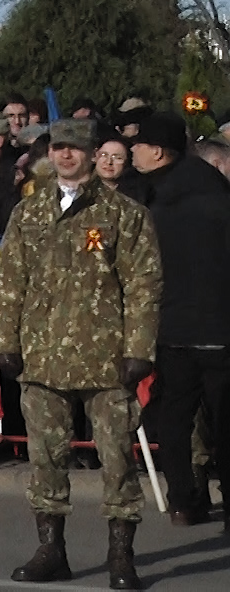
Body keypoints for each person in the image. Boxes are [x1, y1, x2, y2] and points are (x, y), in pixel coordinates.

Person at [0, 119, 161, 589]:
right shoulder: (29, 214)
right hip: (42, 357)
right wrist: (3, 341)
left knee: (118, 462)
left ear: (92, 154)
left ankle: (121, 556)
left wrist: (140, 348)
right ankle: (51, 549)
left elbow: (144, 284)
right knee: (46, 460)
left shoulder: (124, 214)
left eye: (75, 148)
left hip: (106, 357)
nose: (66, 156)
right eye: (59, 148)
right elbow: (9, 282)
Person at [128, 112, 230, 530]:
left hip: (173, 329)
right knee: (223, 419)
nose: (131, 150)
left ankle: (184, 501)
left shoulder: (154, 201)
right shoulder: (217, 193)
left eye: (136, 144)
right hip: (221, 328)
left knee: (174, 419)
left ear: (157, 151)